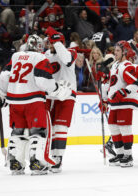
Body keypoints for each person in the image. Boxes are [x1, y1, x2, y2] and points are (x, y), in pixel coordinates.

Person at [0, 34, 72, 175]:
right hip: (33, 101)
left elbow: (3, 77)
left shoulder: (16, 56)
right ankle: (37, 162)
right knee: (38, 132)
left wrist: (0, 96)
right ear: (38, 46)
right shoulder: (40, 57)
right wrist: (57, 89)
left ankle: (15, 163)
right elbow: (42, 80)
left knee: (18, 132)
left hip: (14, 101)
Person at [44, 27, 77, 173]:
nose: (51, 45)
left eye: (54, 42)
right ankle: (47, 157)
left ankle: (58, 158)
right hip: (50, 97)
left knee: (60, 128)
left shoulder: (71, 53)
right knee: (46, 129)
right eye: (50, 42)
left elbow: (67, 60)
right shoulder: (45, 55)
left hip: (66, 95)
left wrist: (56, 40)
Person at [102, 41, 138, 167]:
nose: (115, 53)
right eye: (115, 50)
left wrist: (124, 91)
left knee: (125, 128)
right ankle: (120, 153)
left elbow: (135, 83)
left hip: (125, 102)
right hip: (115, 103)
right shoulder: (115, 65)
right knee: (113, 127)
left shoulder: (128, 65)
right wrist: (105, 100)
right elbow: (112, 85)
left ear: (125, 52)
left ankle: (128, 155)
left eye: (118, 50)